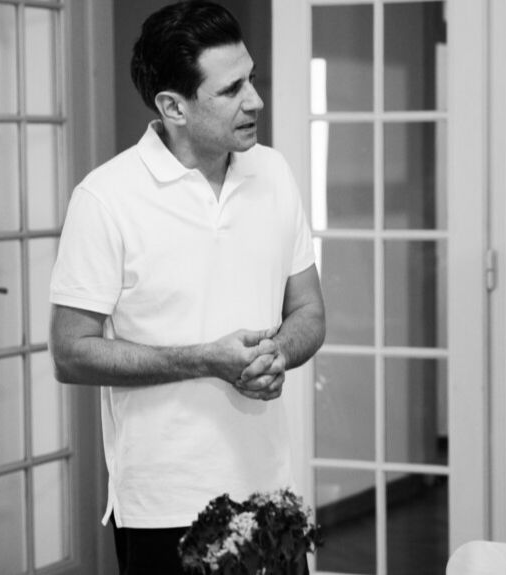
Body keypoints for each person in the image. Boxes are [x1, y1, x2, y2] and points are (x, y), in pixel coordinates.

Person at [48, 2, 324, 573]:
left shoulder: (275, 173)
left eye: (251, 78)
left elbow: (309, 311)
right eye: (231, 90)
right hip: (163, 506)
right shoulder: (105, 199)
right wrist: (204, 359)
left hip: (271, 494)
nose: (256, 100)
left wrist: (277, 354)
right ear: (173, 106)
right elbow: (70, 352)